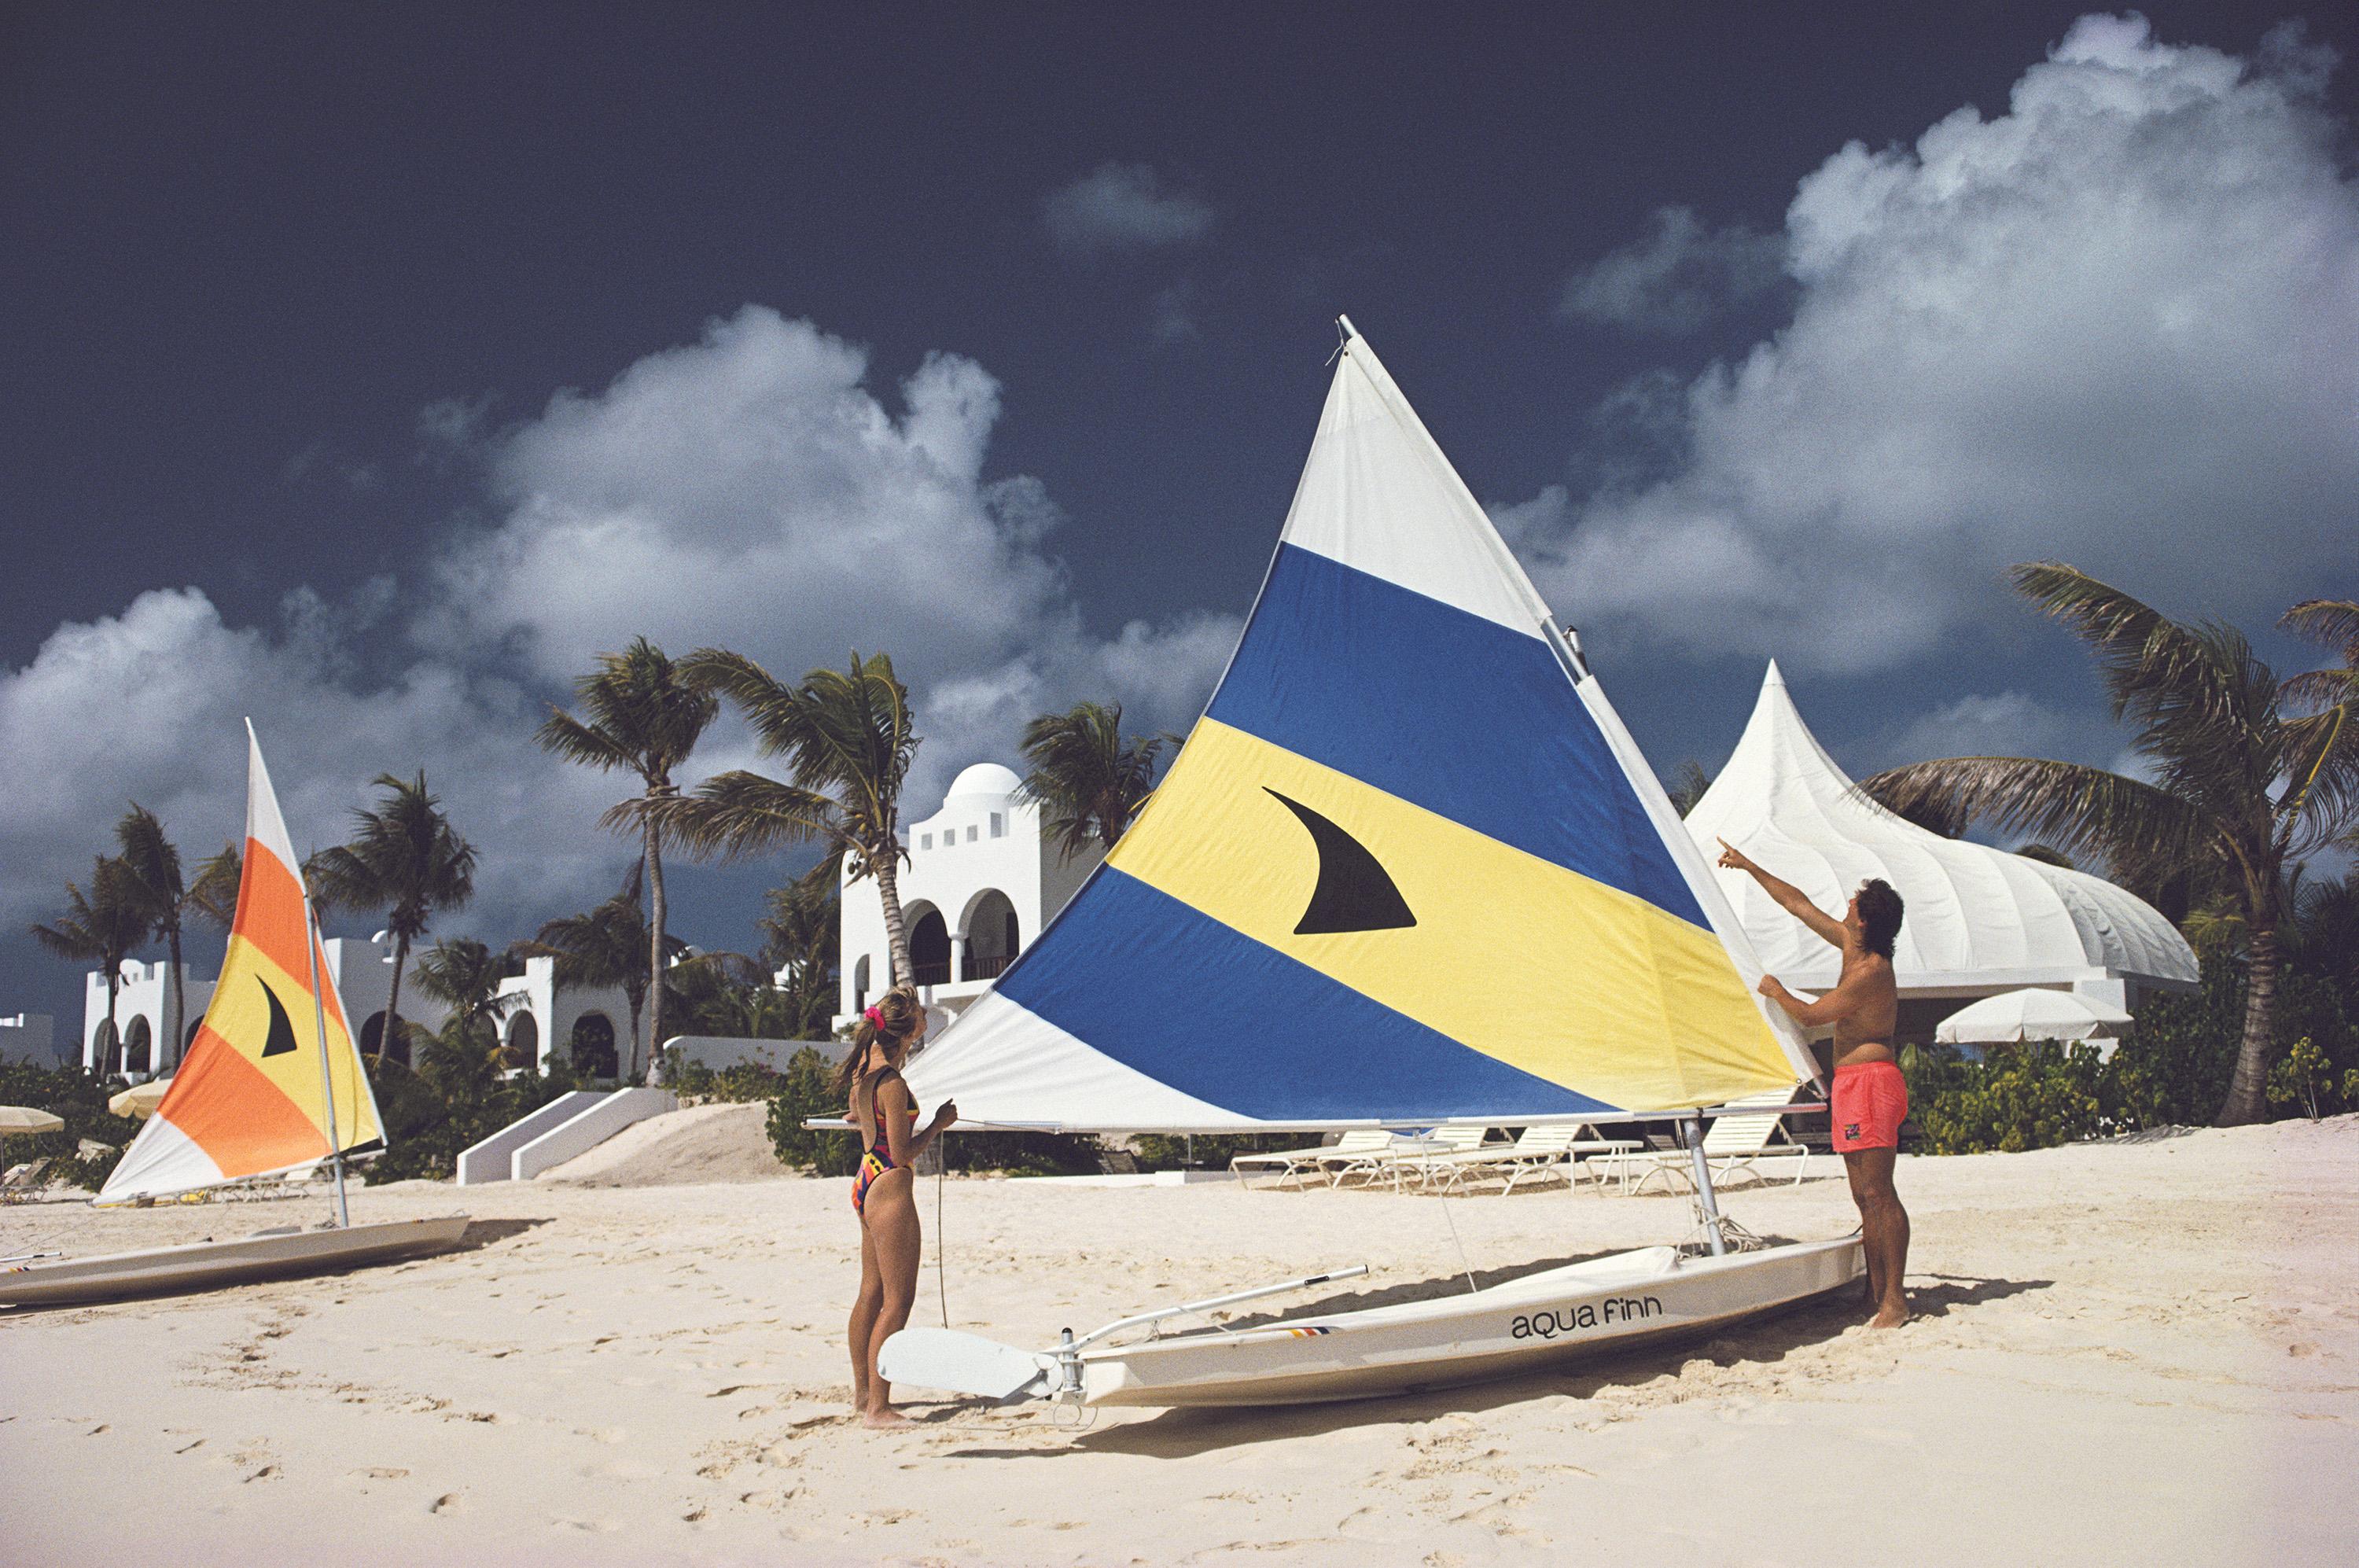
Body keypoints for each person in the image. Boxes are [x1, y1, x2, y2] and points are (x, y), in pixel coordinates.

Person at [1717, 840, 1912, 1328]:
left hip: (1872, 1082)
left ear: (1865, 920)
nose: (1845, 905)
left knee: (1880, 1192)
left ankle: (1896, 1301)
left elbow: (1810, 1016)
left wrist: (1775, 989)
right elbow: (1797, 904)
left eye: (1853, 903)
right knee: (1862, 1195)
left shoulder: (1872, 972)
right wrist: (1747, 865)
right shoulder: (1852, 945)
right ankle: (1874, 1291)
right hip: (1849, 1083)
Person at [837, 986, 957, 1426]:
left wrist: (870, 1119)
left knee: (870, 1293)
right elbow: (905, 1152)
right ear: (909, 1030)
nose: (926, 1015)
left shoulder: (865, 1070)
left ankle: (863, 1395)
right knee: (897, 1301)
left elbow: (856, 1114)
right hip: (890, 1183)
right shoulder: (894, 1083)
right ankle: (878, 1409)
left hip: (867, 1179)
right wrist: (938, 1124)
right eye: (921, 1013)